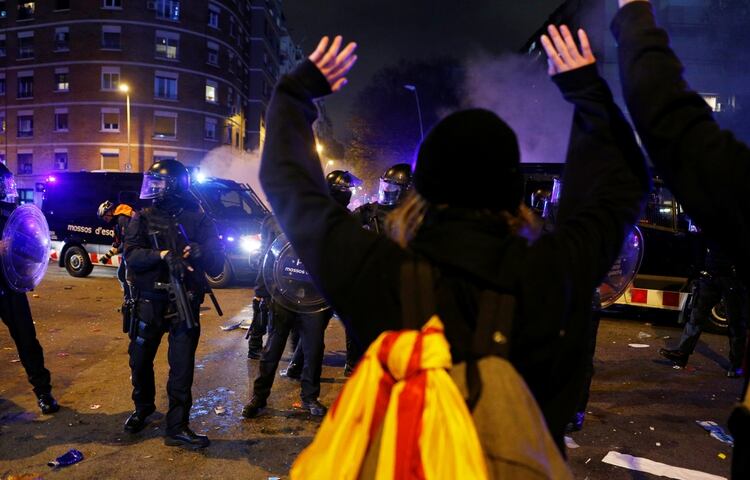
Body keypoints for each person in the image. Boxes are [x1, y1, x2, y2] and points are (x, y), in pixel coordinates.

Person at [257, 28, 649, 457]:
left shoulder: (378, 272)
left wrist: (295, 95)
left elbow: (290, 185)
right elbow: (623, 186)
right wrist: (587, 92)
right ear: (509, 192)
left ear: (421, 192)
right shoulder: (555, 271)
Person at [613, 1, 750, 475]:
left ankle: (733, 360)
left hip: (728, 274)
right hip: (715, 270)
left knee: (733, 321)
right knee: (696, 314)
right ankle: (687, 351)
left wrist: (633, 16)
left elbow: (673, 122)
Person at [123, 159, 224, 448]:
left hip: (184, 305)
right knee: (139, 362)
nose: (153, 188)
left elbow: (217, 265)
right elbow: (131, 256)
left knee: (181, 369)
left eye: (159, 183)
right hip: (148, 303)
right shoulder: (142, 216)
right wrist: (163, 254)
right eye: (151, 182)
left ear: (175, 186)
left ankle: (177, 427)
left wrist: (203, 250)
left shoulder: (198, 217)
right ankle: (143, 409)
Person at [281, 169, 363, 379]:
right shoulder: (339, 216)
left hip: (317, 282)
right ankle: (351, 365)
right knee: (349, 324)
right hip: (333, 281)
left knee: (314, 330)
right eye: (345, 189)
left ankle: (296, 366)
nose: (349, 193)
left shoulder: (317, 211)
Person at [0, 163, 59, 415]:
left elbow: (36, 250)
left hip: (10, 288)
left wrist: (15, 248)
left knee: (27, 340)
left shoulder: (12, 214)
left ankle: (43, 392)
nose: (7, 190)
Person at [660, 244, 747, 377]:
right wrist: (698, 271)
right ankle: (681, 355)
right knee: (695, 317)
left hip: (731, 279)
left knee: (735, 323)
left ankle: (736, 365)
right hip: (710, 276)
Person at [354, 163, 412, 234]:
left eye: (391, 187)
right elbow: (347, 222)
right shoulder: (369, 210)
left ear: (404, 191)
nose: (386, 189)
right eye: (384, 185)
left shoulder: (411, 218)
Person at [97, 200, 135, 300]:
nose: (105, 220)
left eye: (105, 217)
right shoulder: (116, 223)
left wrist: (112, 252)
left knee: (129, 278)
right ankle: (128, 300)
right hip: (128, 250)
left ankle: (132, 300)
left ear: (110, 211)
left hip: (133, 250)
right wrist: (107, 255)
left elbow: (128, 240)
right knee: (121, 274)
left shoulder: (122, 218)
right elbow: (118, 242)